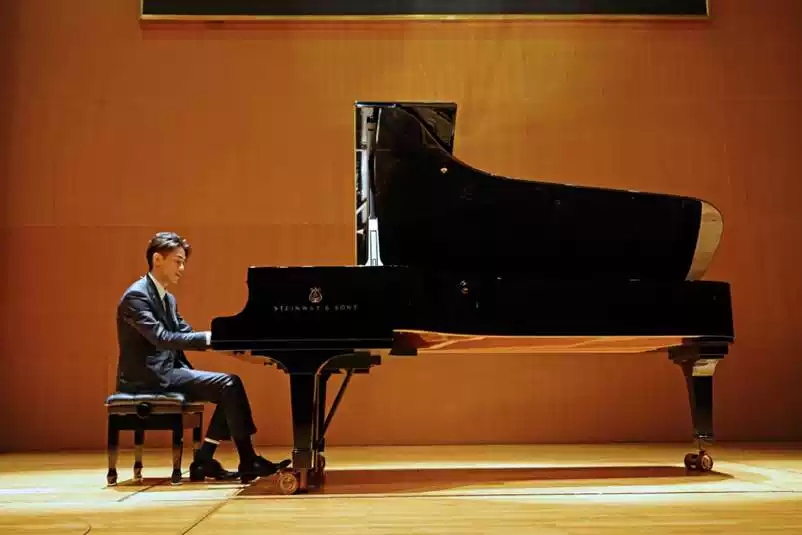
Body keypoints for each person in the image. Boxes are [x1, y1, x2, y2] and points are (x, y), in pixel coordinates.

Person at [115, 231, 290, 483]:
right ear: (157, 259)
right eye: (178, 261)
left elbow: (184, 332)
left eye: (183, 262)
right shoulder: (137, 296)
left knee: (229, 388)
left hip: (165, 371)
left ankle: (208, 459)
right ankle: (245, 459)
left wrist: (230, 342)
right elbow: (162, 338)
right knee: (228, 384)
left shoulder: (167, 298)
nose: (182, 268)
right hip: (146, 377)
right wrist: (209, 338)